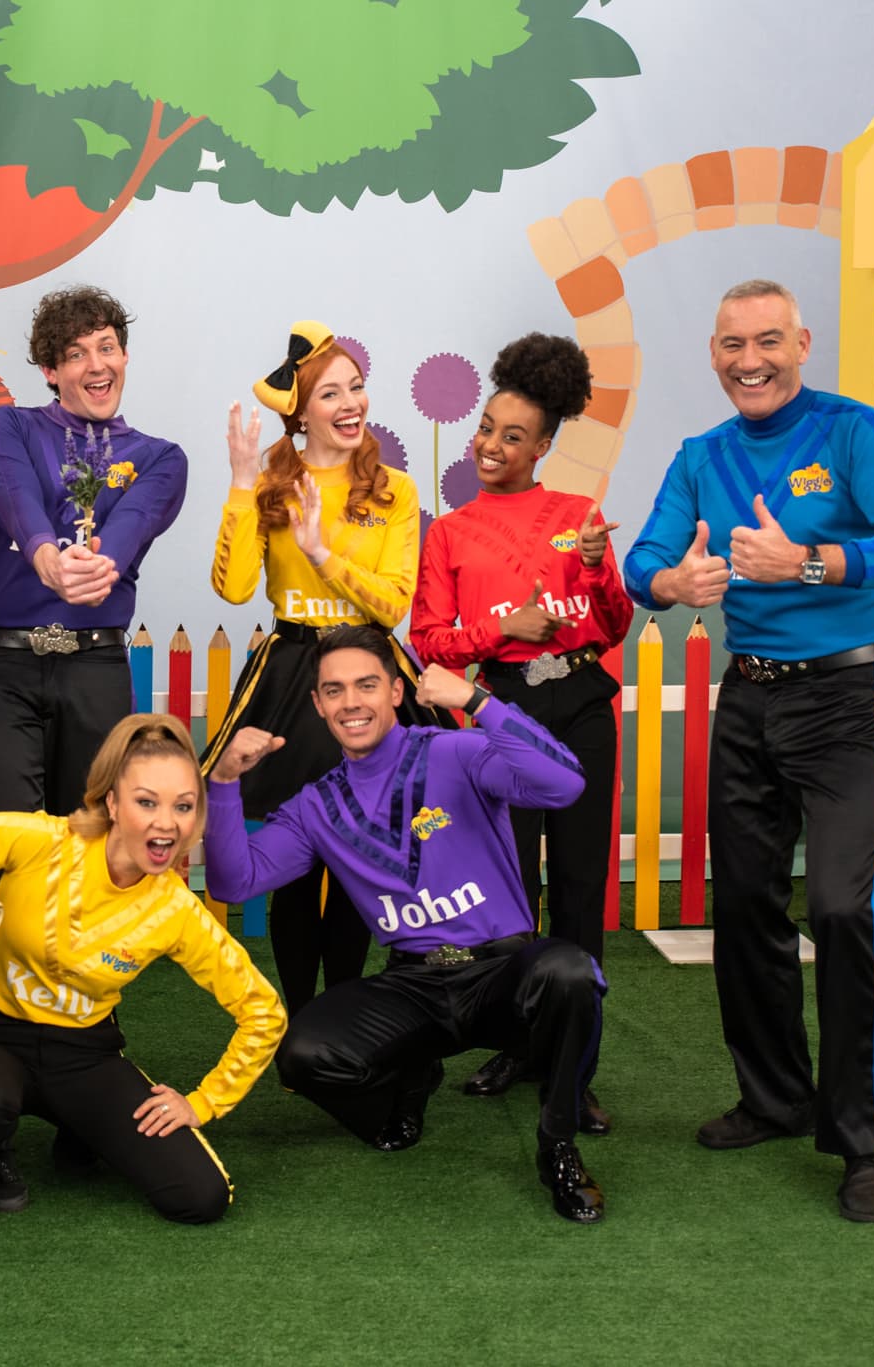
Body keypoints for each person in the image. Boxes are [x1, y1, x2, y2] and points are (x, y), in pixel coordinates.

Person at [622, 279, 874, 1224]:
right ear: (713, 353)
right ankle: (774, 1098)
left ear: (801, 344)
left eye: (768, 340)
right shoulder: (701, 456)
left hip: (846, 694)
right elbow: (643, 561)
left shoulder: (853, 431)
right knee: (747, 902)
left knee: (841, 907)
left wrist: (805, 561)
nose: (750, 360)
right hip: (749, 697)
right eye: (733, 344)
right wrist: (673, 581)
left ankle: (863, 1143)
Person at [206, 628, 608, 1224]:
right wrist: (222, 783)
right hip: (415, 985)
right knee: (303, 1054)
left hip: (502, 972)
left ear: (396, 691)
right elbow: (234, 882)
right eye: (334, 690)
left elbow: (565, 782)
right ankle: (410, 1087)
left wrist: (477, 701)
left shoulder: (456, 752)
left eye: (366, 685)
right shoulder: (316, 804)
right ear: (318, 704)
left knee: (570, 972)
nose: (351, 702)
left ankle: (557, 1147)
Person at [0, 715, 284, 1223]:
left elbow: (264, 1012)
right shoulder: (42, 840)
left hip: (83, 1054)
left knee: (199, 1197)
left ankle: (81, 1128)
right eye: (147, 802)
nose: (167, 823)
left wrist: (203, 1102)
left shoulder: (177, 911)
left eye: (184, 806)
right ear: (112, 803)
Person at [411, 333, 632, 1127]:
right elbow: (429, 643)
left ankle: (574, 1066)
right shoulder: (449, 532)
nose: (491, 446)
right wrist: (503, 630)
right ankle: (521, 1041)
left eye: (513, 436)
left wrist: (598, 566)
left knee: (579, 886)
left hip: (580, 709)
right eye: (486, 429)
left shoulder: (579, 519)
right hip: (500, 713)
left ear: (543, 447)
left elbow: (613, 624)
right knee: (510, 893)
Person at [203, 321, 442, 1015]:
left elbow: (392, 604)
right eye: (331, 392)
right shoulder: (270, 484)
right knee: (299, 860)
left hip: (366, 670)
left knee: (361, 853)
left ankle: (345, 1012)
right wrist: (241, 485)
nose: (350, 403)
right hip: (295, 678)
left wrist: (321, 554)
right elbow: (233, 589)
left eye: (356, 387)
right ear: (300, 412)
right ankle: (302, 1018)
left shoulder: (395, 489)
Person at [0, 286, 187, 882]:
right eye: (77, 353)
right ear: (50, 369)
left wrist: (96, 566)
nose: (96, 365)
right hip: (3, 670)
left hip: (94, 669)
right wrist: (46, 557)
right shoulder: (5, 428)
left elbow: (130, 527)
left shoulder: (161, 458)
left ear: (125, 356)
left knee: (91, 851)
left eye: (106, 347)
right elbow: (17, 502)